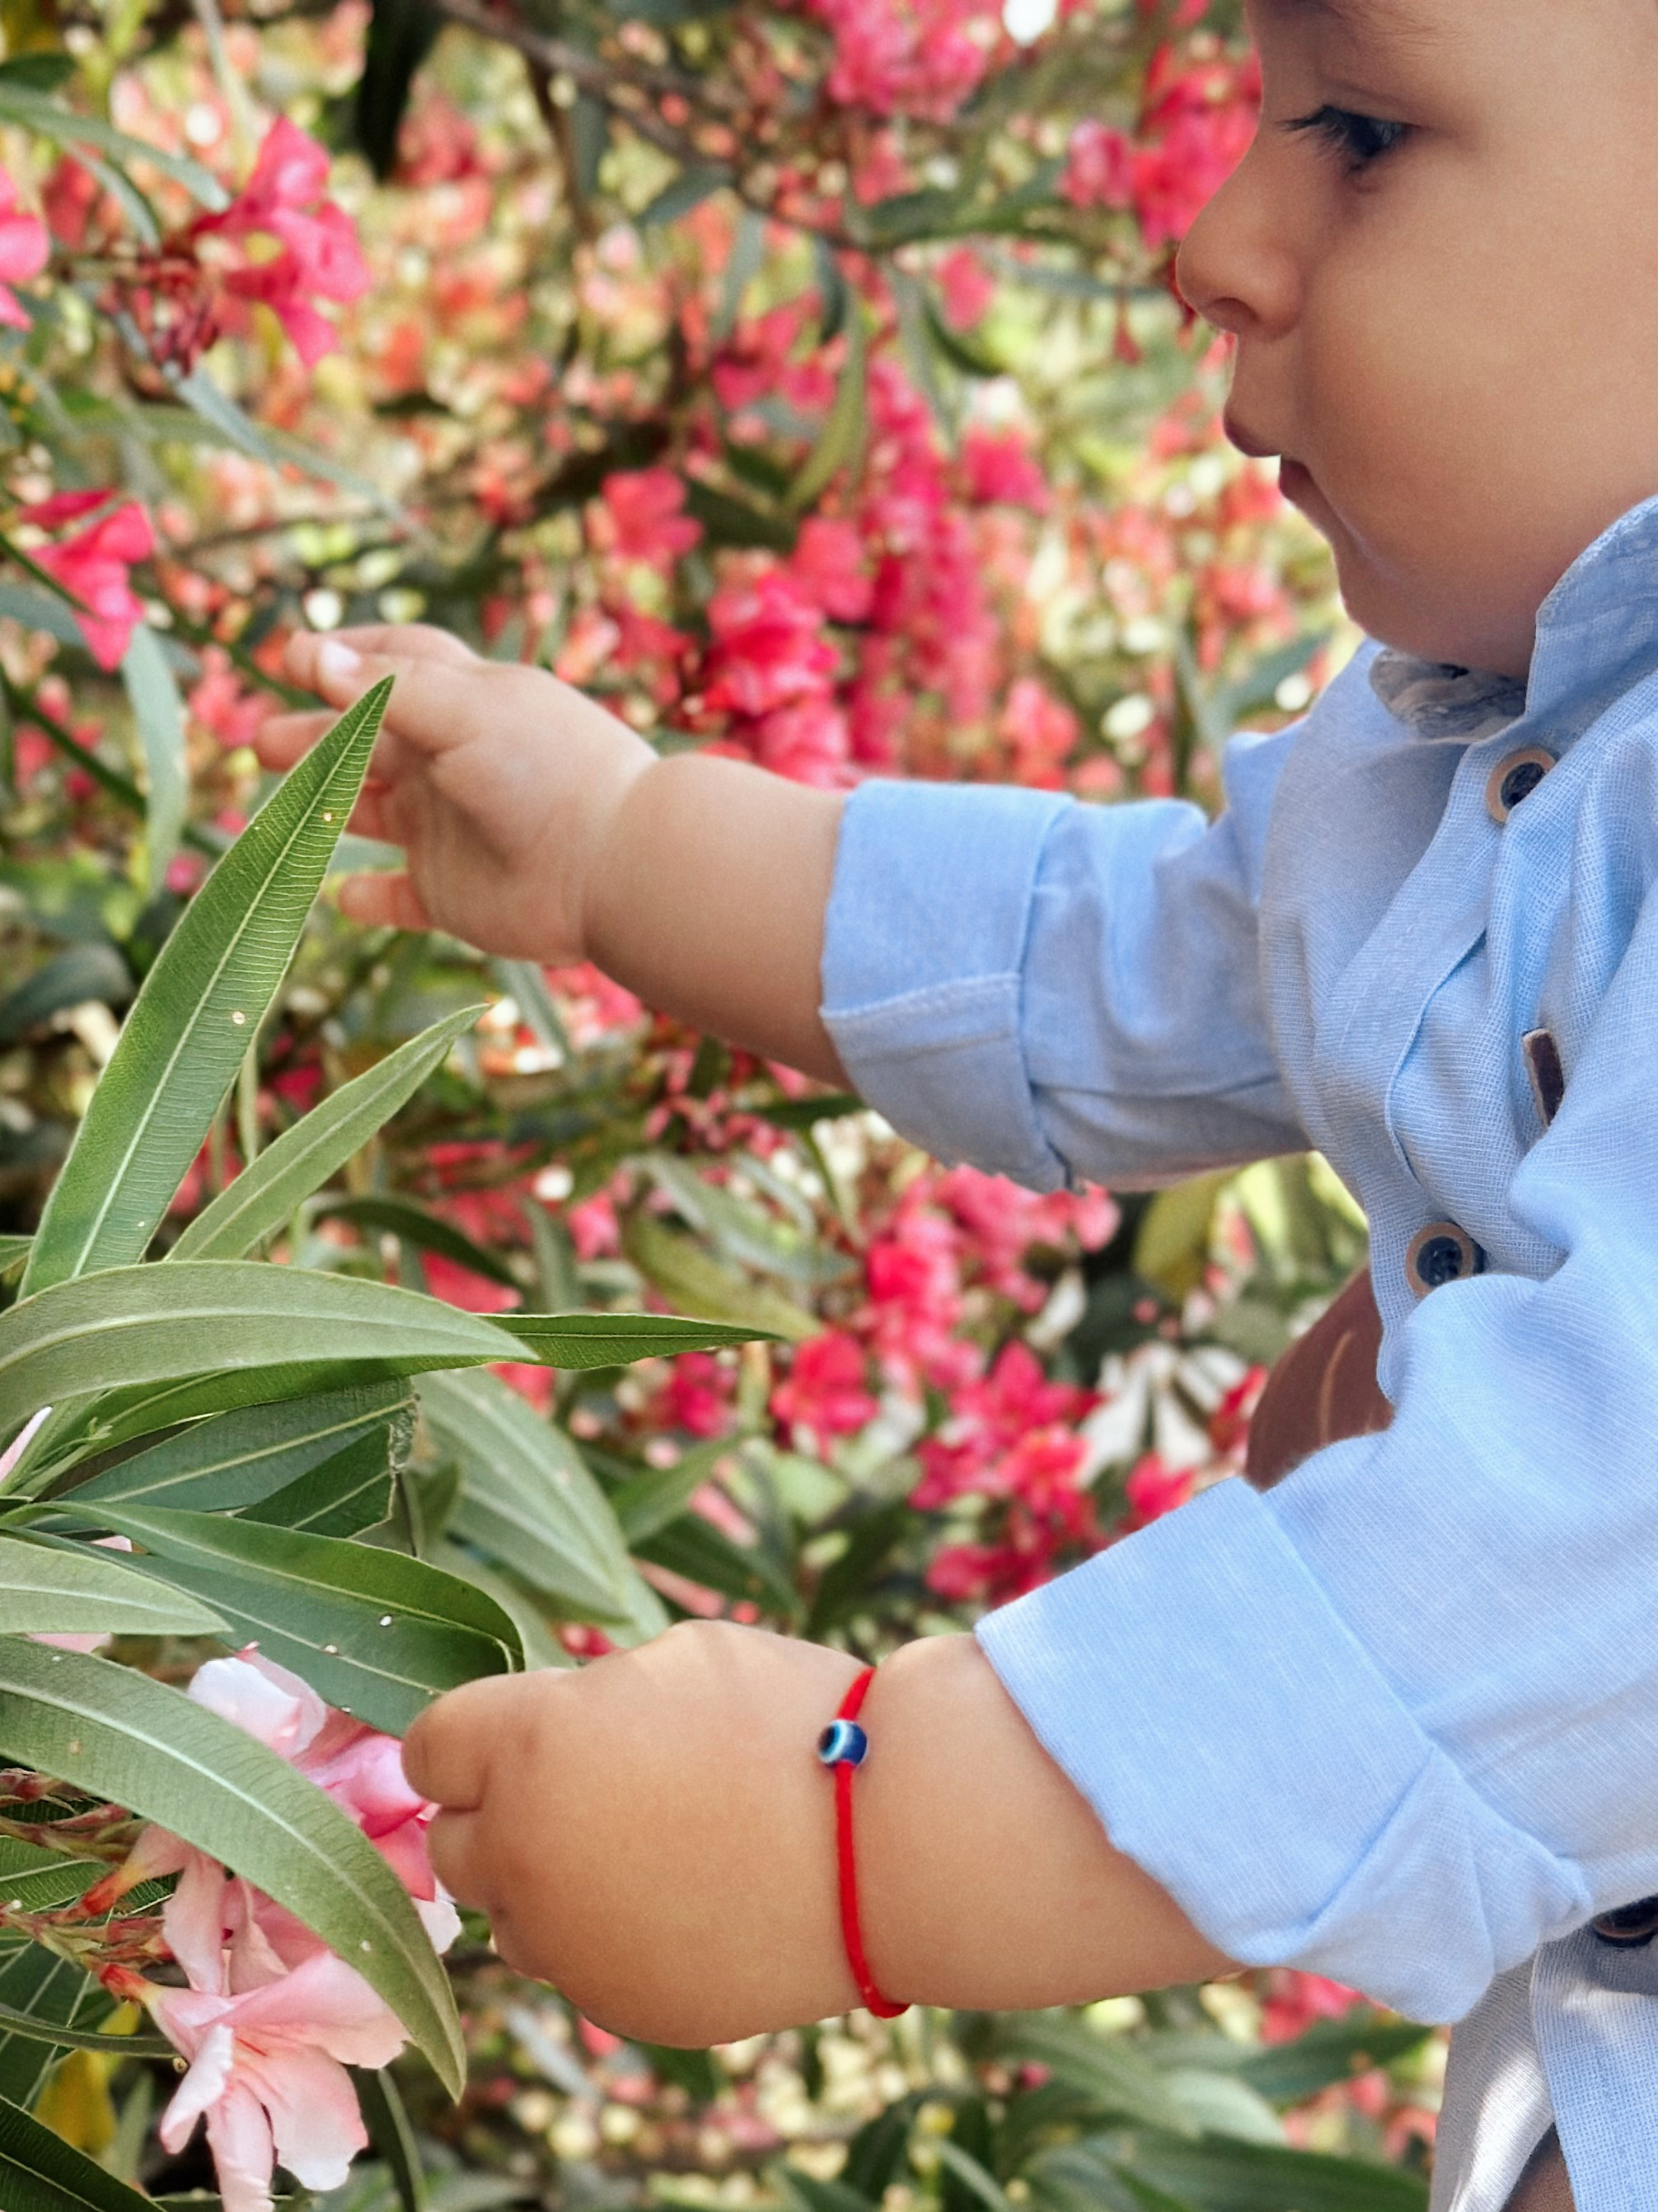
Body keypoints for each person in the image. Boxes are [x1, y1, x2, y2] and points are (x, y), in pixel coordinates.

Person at [255, 2, 1658, 2205]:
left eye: (1364, 132)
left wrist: (846, 1827)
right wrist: (619, 846)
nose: (1211, 232)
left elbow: (1604, 1545)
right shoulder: (1485, 748)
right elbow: (1143, 951)